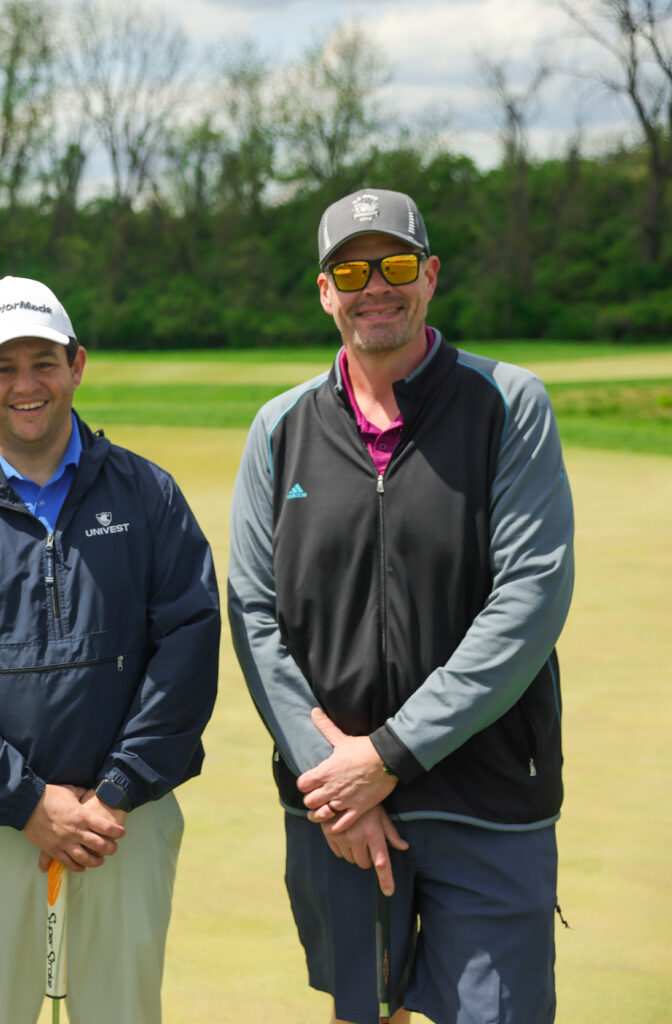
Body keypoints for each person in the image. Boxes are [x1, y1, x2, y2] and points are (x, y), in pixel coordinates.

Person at [228, 188, 574, 1024]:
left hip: (484, 798)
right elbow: (253, 611)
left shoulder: (508, 403)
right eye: (351, 271)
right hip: (338, 810)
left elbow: (529, 598)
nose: (374, 286)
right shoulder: (279, 427)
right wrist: (335, 775)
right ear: (325, 291)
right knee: (362, 1013)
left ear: (431, 276)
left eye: (394, 265)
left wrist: (387, 755)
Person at [0, 275, 221, 1023]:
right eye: (2, 367)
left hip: (124, 818)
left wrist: (118, 787)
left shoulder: (147, 494)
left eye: (44, 362)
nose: (26, 385)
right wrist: (29, 803)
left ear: (77, 364)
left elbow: (189, 646)